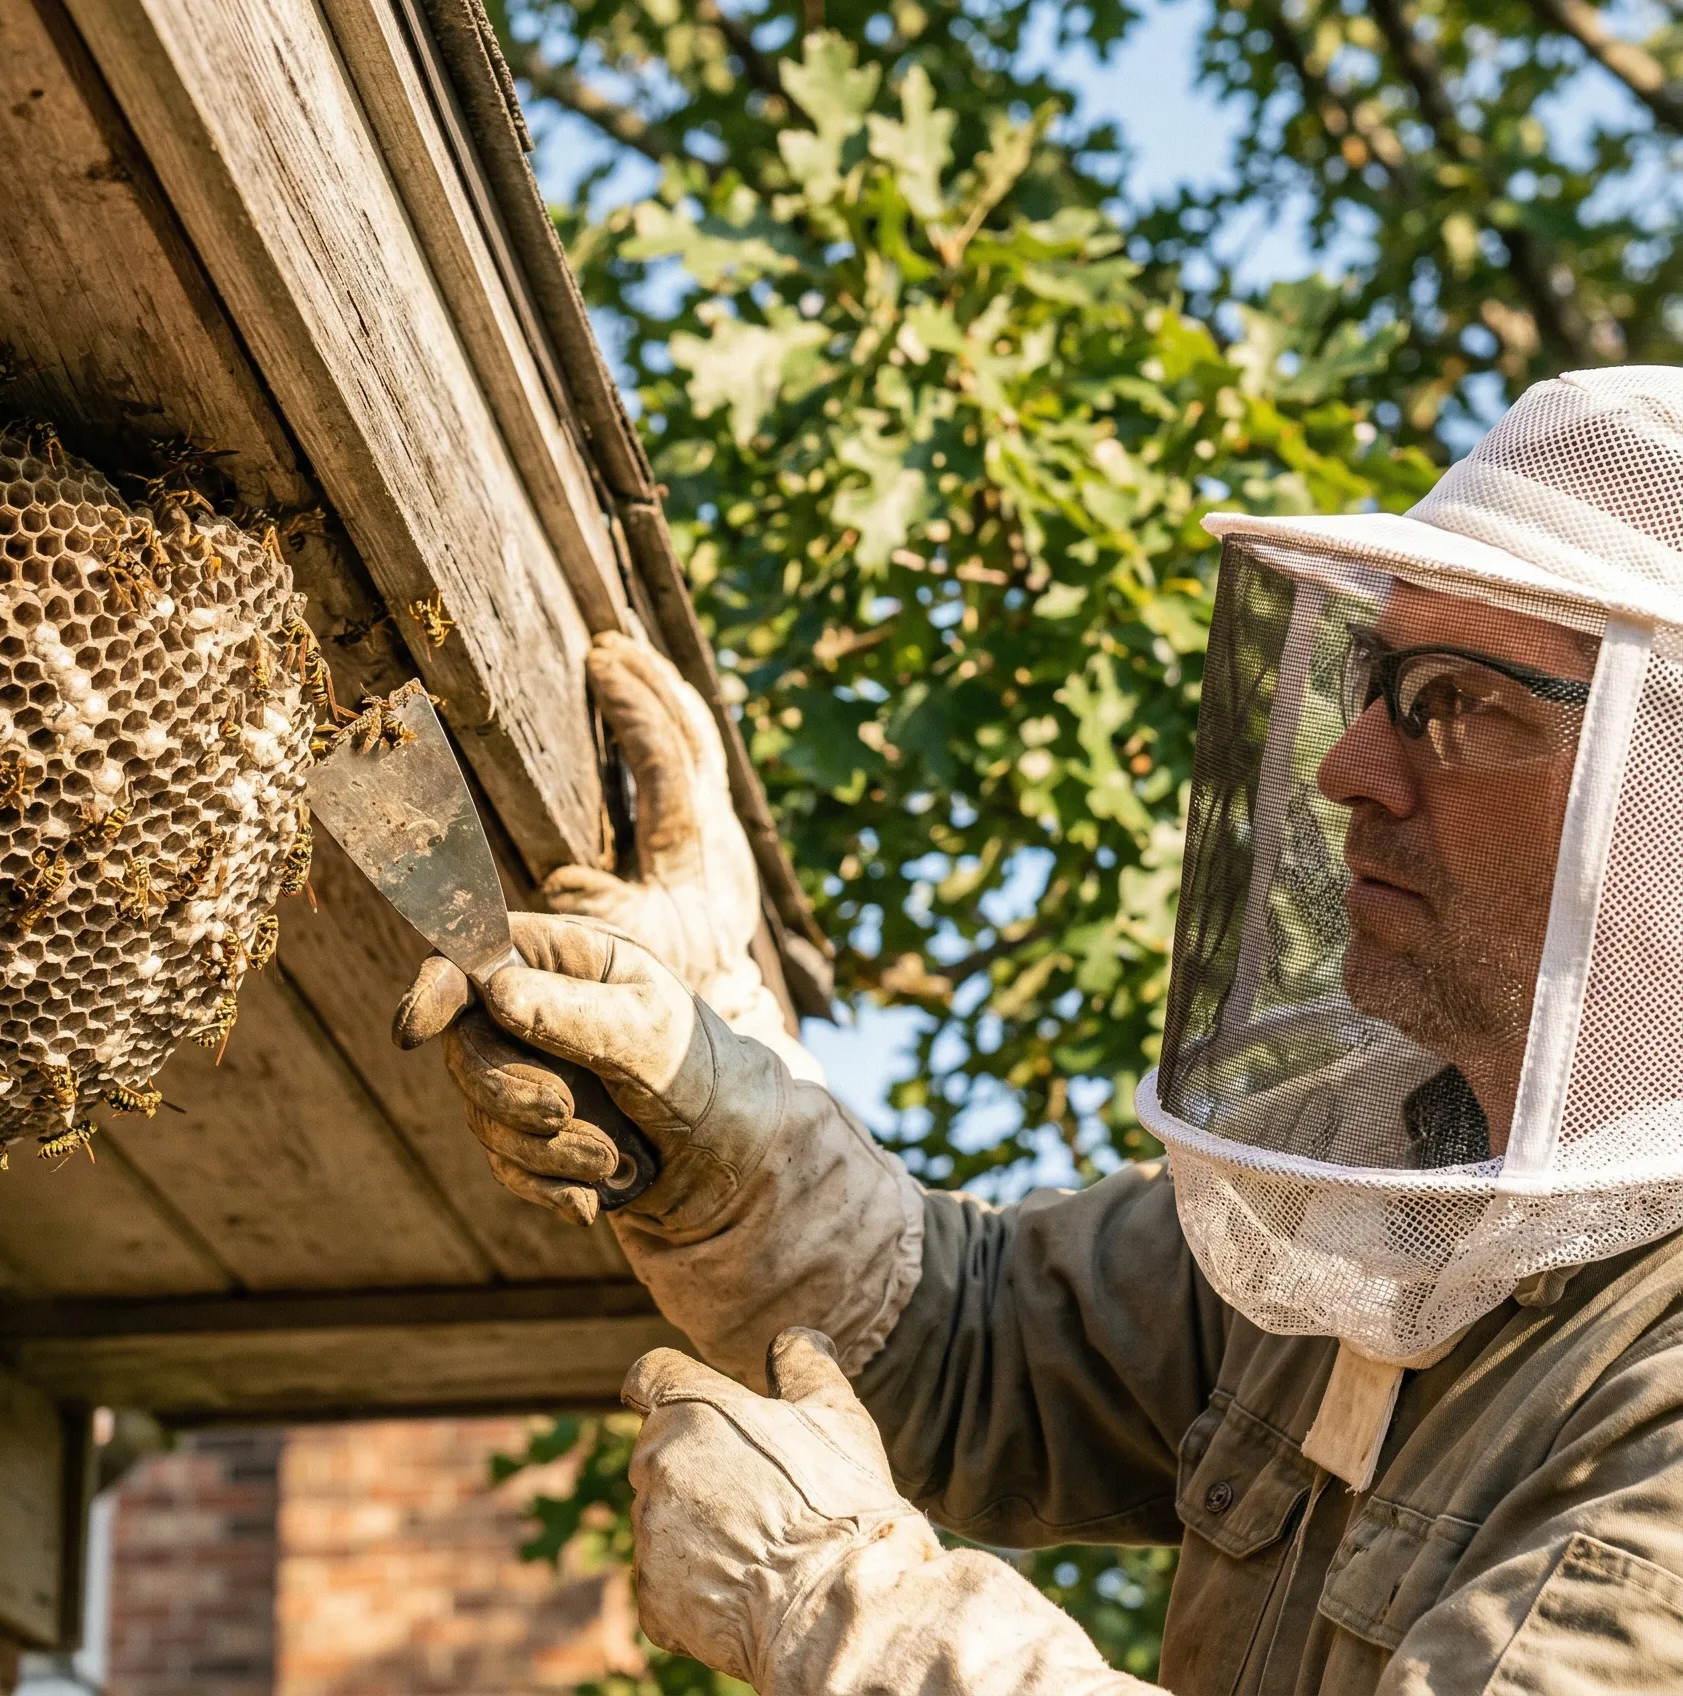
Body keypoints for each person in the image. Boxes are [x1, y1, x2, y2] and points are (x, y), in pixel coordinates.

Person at [398, 368, 1683, 1693]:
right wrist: (705, 1101)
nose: (1349, 768)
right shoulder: (1385, 1180)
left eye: (1457, 703)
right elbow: (976, 1343)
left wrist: (850, 1614)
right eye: (1375, 683)